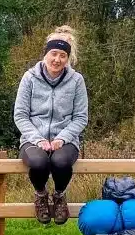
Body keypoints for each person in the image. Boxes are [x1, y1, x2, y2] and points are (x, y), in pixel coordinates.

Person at [13, 25, 89, 224]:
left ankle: (59, 195)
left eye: (63, 55)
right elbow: (20, 115)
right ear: (46, 54)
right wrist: (37, 139)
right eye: (53, 54)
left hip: (66, 140)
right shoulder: (29, 78)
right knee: (39, 162)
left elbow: (80, 117)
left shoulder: (76, 81)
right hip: (32, 139)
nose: (57, 59)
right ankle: (40, 195)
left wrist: (62, 138)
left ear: (68, 58)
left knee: (60, 162)